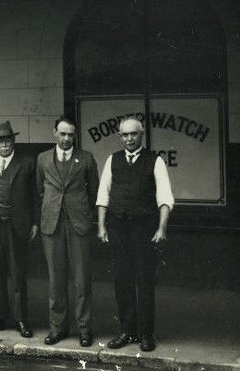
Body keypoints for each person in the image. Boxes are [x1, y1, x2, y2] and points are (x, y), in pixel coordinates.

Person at [96, 116, 174, 353]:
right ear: (120, 136)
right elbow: (103, 196)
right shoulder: (113, 160)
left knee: (144, 281)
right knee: (122, 281)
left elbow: (165, 198)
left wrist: (162, 228)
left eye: (134, 134)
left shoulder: (155, 161)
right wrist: (101, 226)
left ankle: (146, 334)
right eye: (125, 135)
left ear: (141, 135)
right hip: (118, 230)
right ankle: (126, 331)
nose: (129, 139)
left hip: (144, 231)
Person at [35, 116, 100, 347]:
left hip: (78, 225)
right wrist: (52, 211)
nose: (66, 138)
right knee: (56, 280)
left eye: (70, 134)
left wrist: (81, 213)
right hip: (52, 226)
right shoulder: (43, 159)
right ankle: (57, 328)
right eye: (62, 134)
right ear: (54, 133)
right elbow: (41, 191)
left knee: (82, 280)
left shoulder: (86, 159)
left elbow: (93, 193)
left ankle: (84, 329)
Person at [0, 120, 36, 338]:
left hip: (15, 225)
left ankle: (21, 320)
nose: (5, 144)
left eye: (8, 140)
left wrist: (35, 223)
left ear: (14, 141)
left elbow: (34, 196)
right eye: (0, 141)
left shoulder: (27, 162)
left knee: (18, 274)